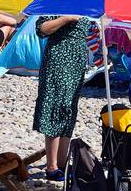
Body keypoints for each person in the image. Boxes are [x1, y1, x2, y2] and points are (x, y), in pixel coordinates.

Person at [32, 14, 92, 180]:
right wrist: (66, 19)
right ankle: (51, 167)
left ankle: (63, 163)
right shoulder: (57, 5)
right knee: (55, 106)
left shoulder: (86, 5)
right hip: (59, 58)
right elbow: (41, 29)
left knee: (69, 108)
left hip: (76, 61)